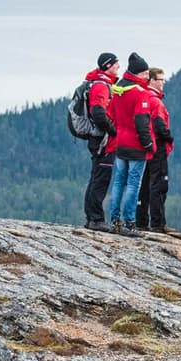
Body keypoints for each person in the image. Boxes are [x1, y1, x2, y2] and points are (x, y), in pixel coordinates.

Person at [104, 52, 155, 237]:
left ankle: (115, 220)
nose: (148, 76)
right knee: (134, 184)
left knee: (118, 182)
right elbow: (142, 121)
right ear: (138, 74)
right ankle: (130, 222)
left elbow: (111, 114)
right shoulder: (140, 94)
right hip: (135, 145)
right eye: (145, 73)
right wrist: (148, 143)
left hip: (121, 142)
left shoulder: (118, 89)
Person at [81, 53, 120, 232]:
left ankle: (92, 217)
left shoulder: (101, 83)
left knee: (97, 176)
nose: (119, 66)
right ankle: (95, 219)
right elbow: (98, 112)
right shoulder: (101, 86)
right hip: (103, 140)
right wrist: (113, 130)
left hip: (100, 139)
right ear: (108, 65)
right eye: (116, 63)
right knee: (100, 178)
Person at [136, 67, 172, 233]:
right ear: (151, 80)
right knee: (159, 184)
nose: (163, 82)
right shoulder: (155, 100)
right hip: (158, 147)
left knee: (143, 184)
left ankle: (141, 220)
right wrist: (168, 137)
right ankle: (158, 223)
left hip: (144, 147)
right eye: (160, 79)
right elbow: (159, 125)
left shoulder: (141, 96)